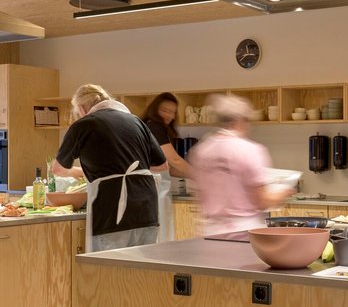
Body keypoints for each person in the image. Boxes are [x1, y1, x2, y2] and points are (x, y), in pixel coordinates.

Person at [52, 84, 167, 252]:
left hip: (112, 210)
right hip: (146, 210)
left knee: (110, 272)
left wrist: (84, 173)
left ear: (82, 108)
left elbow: (59, 169)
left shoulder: (84, 124)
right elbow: (162, 165)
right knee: (142, 274)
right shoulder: (137, 122)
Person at [187, 94, 294, 240]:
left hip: (210, 231)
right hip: (243, 233)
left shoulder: (202, 150)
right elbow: (262, 201)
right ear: (239, 121)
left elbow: (199, 193)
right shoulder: (248, 150)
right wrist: (284, 192)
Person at [142, 92, 192, 241]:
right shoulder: (155, 127)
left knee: (159, 238)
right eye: (165, 110)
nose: (169, 116)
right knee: (159, 239)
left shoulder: (148, 127)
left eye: (173, 112)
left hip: (152, 191)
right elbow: (174, 160)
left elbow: (168, 168)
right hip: (153, 192)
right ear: (154, 109)